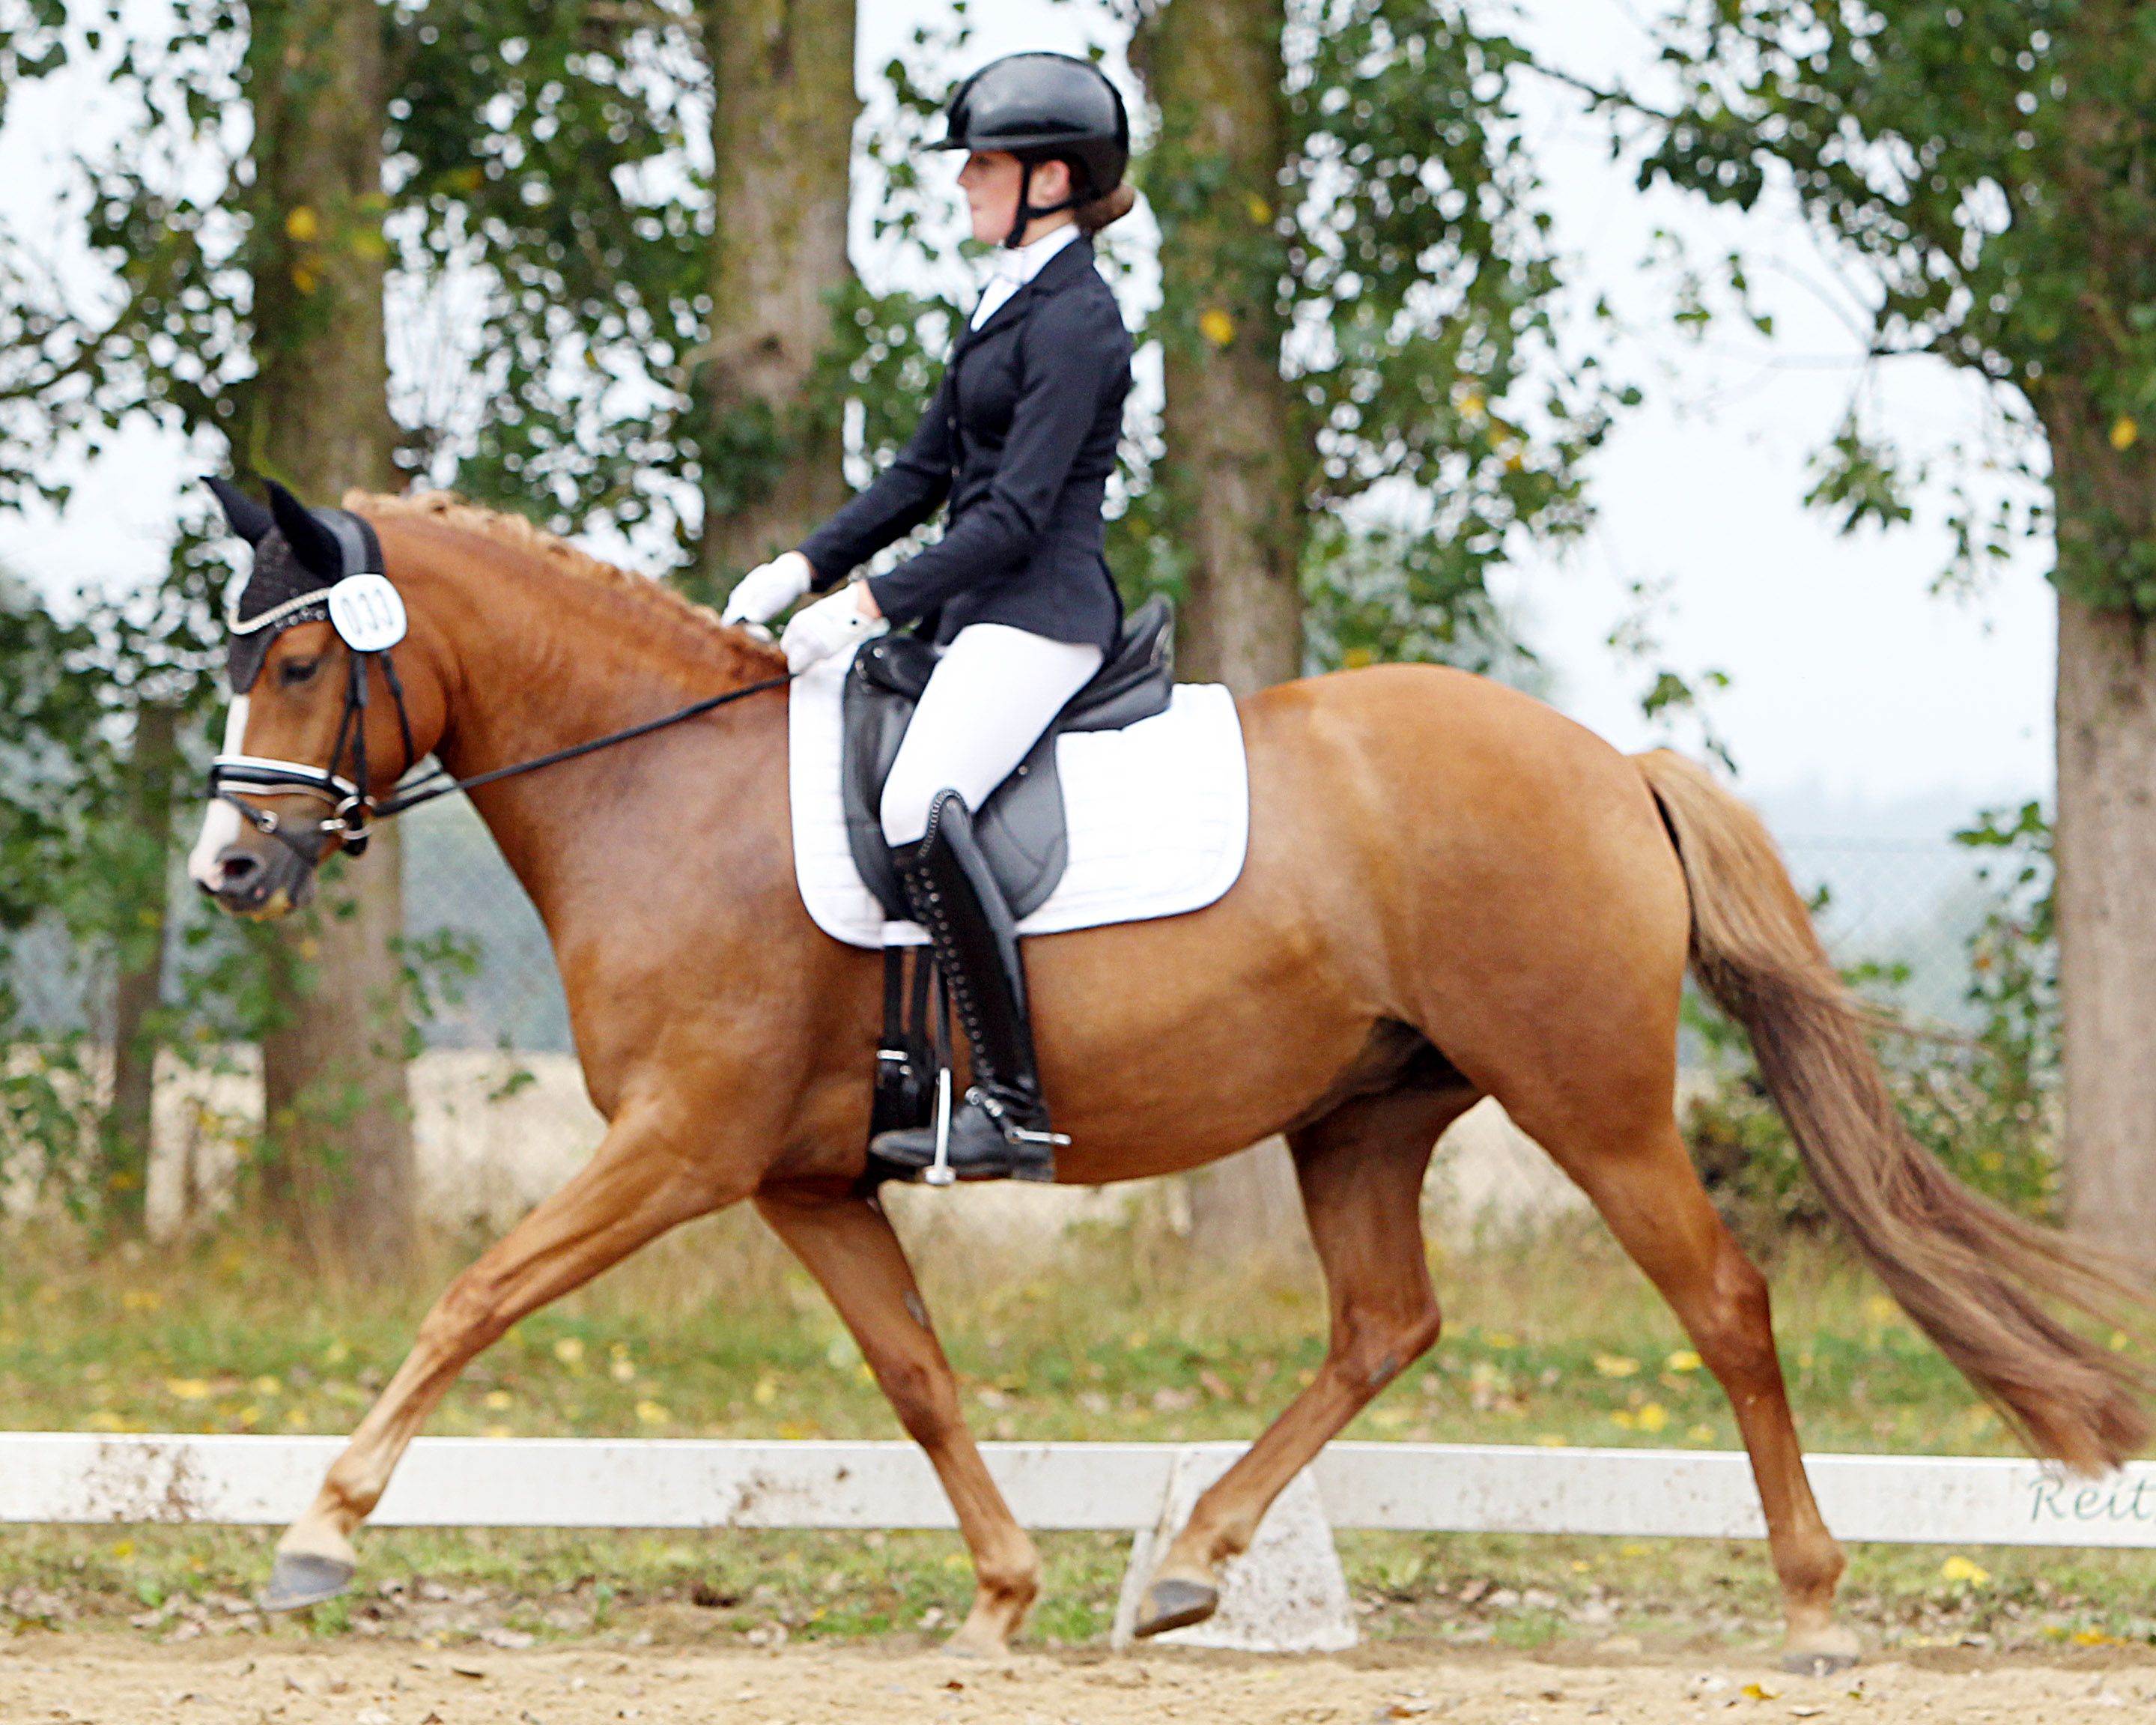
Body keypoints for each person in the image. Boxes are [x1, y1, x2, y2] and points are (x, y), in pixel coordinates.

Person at [721, 51, 1138, 1183]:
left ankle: (1014, 1103)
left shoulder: (1079, 322)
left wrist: (863, 605)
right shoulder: (1006, 303)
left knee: (918, 799)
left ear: (1051, 179)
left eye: (983, 166)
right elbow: (919, 477)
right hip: (973, 614)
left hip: (1039, 614)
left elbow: (1009, 518)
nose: (962, 184)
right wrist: (799, 565)